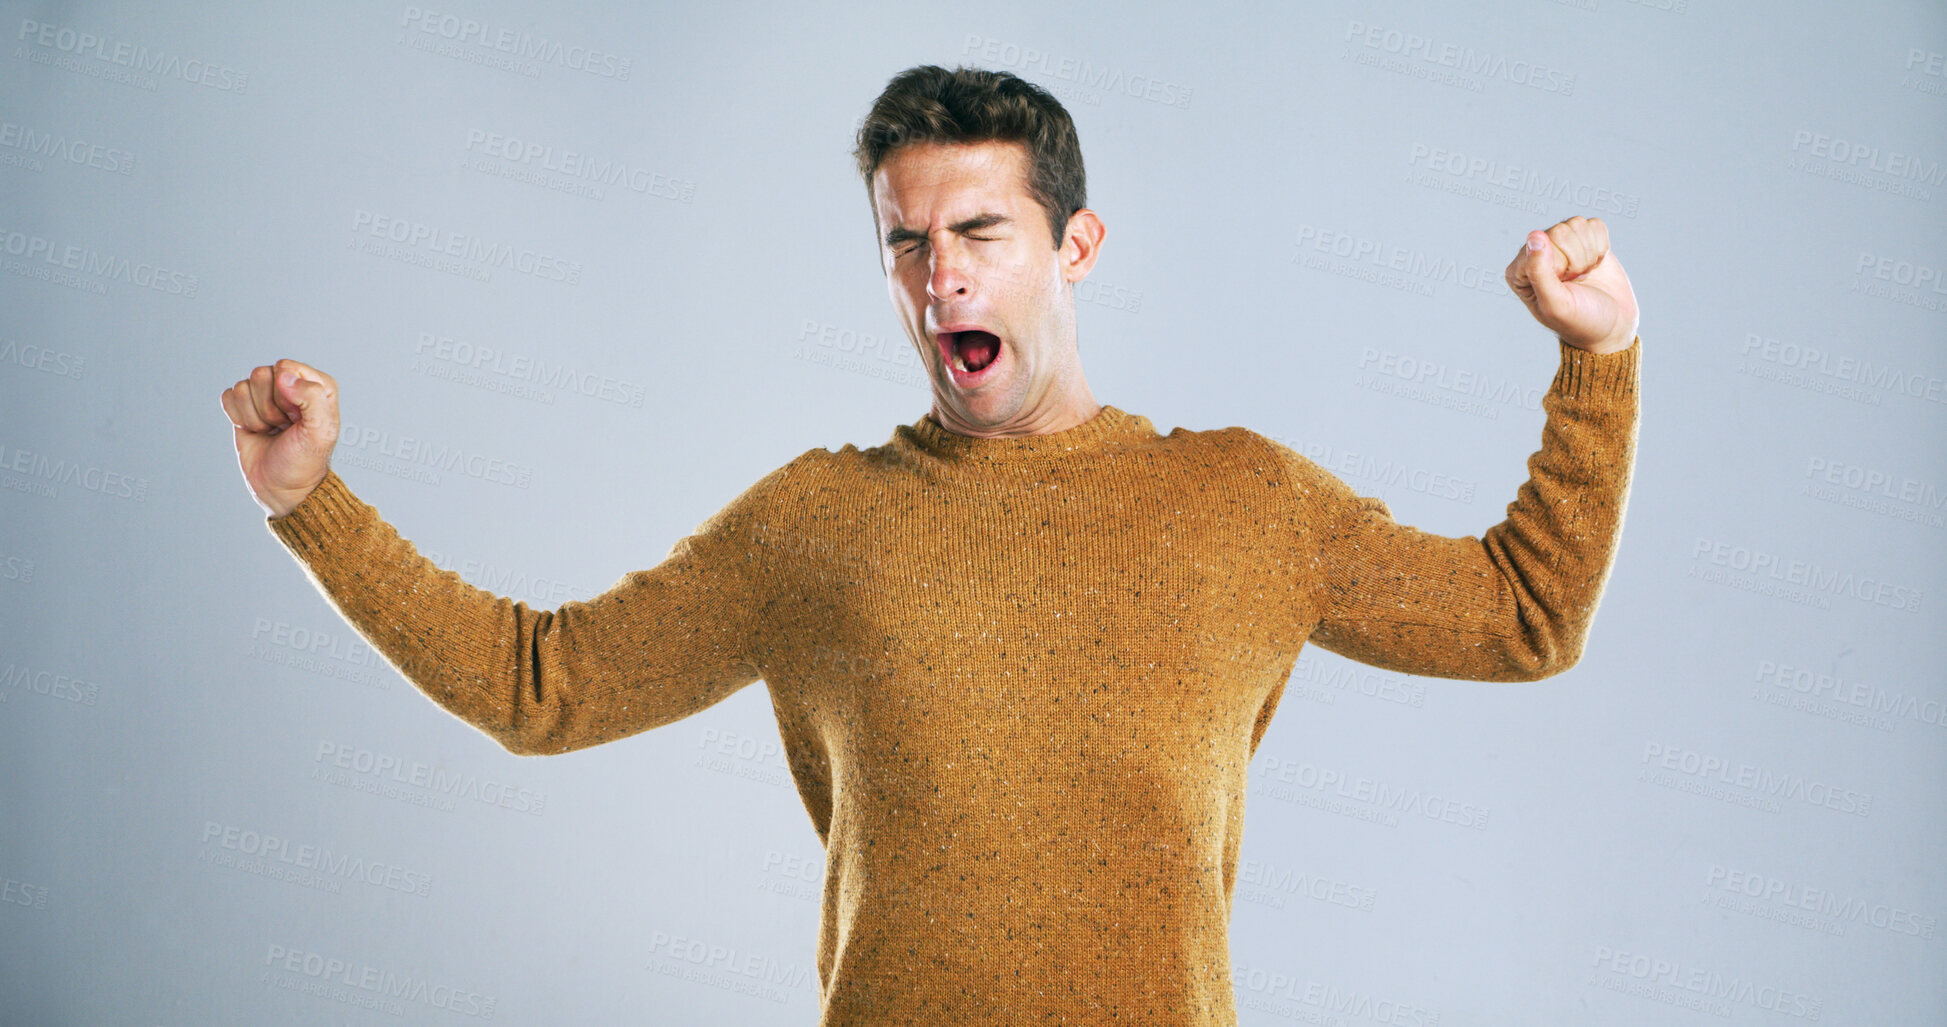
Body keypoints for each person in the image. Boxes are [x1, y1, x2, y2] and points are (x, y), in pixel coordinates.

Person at [221, 65, 1639, 1027]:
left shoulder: (1244, 504)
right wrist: (312, 507)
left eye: (980, 230)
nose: (941, 271)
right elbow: (544, 687)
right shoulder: (817, 524)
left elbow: (1526, 617)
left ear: (1073, 247)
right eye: (908, 242)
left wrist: (1603, 358)